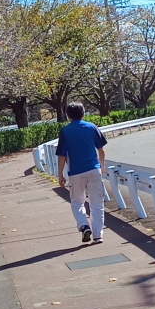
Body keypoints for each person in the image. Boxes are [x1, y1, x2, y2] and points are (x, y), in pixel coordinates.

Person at [56, 102, 108, 244]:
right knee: (97, 203)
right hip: (94, 169)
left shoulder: (65, 131)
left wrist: (60, 174)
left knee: (77, 202)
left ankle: (84, 225)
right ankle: (98, 235)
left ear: (68, 116)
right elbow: (101, 149)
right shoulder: (91, 127)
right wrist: (102, 166)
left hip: (75, 172)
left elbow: (61, 155)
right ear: (83, 114)